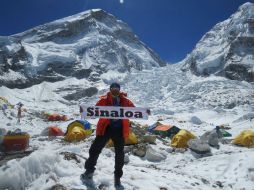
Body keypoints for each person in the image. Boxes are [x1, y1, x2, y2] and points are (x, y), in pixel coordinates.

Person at [81, 82, 135, 187]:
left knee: (120, 155)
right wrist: (87, 111)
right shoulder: (103, 100)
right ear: (110, 89)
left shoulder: (126, 101)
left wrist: (144, 112)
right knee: (94, 149)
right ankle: (89, 171)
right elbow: (96, 110)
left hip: (120, 130)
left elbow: (135, 111)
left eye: (117, 88)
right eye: (113, 88)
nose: (115, 89)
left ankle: (117, 178)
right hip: (106, 129)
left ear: (119, 89)